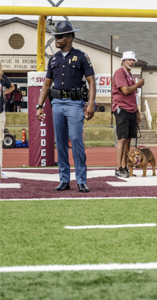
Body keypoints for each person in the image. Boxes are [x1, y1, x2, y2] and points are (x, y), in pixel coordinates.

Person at [36, 21, 96, 192]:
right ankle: (64, 180)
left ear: (69, 38)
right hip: (57, 104)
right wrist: (39, 106)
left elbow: (91, 81)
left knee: (76, 139)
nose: (56, 39)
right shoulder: (53, 59)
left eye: (59, 37)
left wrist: (91, 103)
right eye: (55, 36)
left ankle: (81, 180)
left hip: (75, 104)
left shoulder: (82, 56)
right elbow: (47, 84)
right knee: (60, 142)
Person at [112, 51, 145, 178]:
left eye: (133, 60)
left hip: (131, 109)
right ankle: (118, 167)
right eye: (129, 59)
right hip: (122, 108)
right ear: (123, 61)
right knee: (122, 139)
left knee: (129, 140)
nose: (132, 62)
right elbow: (125, 91)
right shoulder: (119, 72)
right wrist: (138, 84)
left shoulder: (130, 75)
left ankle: (125, 167)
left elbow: (134, 95)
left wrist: (137, 111)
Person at [0, 62, 15, 179]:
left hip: (0, 112)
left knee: (0, 142)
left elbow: (12, 86)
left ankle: (0, 169)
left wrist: (3, 93)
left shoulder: (1, 77)